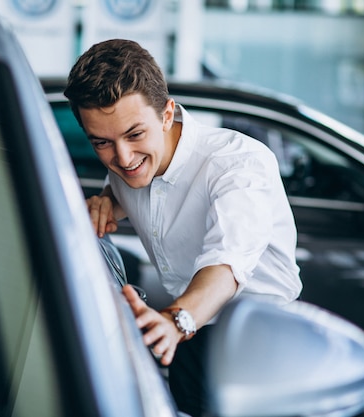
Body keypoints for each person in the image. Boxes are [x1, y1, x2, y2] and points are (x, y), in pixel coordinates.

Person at [64, 39, 302, 417]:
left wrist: (177, 320)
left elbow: (226, 263)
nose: (123, 158)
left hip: (259, 349)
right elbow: (124, 186)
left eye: (134, 134)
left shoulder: (237, 165)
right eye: (102, 143)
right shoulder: (131, 168)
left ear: (166, 114)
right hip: (187, 339)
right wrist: (106, 201)